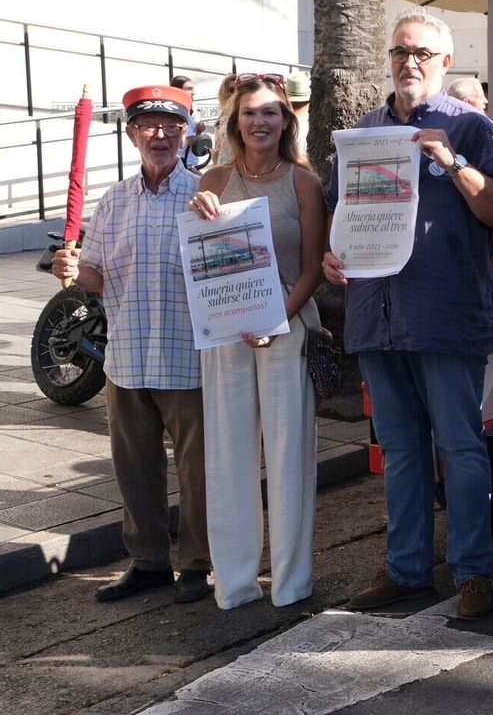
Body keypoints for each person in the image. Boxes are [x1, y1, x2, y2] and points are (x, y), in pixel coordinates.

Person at [323, 11, 493, 621]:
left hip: (445, 315)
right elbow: (340, 215)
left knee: (460, 447)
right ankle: (407, 570)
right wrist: (331, 255)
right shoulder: (363, 133)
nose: (411, 62)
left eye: (424, 53)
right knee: (400, 452)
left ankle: (473, 571)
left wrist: (452, 163)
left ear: (445, 62)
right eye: (402, 51)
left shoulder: (474, 129)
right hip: (377, 316)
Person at [49, 86, 211, 605]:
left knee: (197, 470)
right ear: (131, 134)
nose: (159, 135)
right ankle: (147, 562)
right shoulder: (113, 199)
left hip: (187, 355)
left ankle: (196, 563)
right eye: (148, 126)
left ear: (186, 132)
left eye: (171, 126)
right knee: (135, 467)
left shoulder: (206, 193)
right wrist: (74, 273)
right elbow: (97, 276)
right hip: (127, 356)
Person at [186, 73, 325, 609]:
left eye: (270, 112)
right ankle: (236, 582)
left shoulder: (303, 183)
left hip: (287, 328)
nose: (259, 122)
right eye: (249, 113)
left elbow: (313, 269)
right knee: (228, 457)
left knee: (290, 458)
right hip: (225, 333)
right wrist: (198, 216)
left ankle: (291, 583)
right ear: (234, 120)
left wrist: (276, 318)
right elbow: (200, 261)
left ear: (286, 120)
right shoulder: (212, 182)